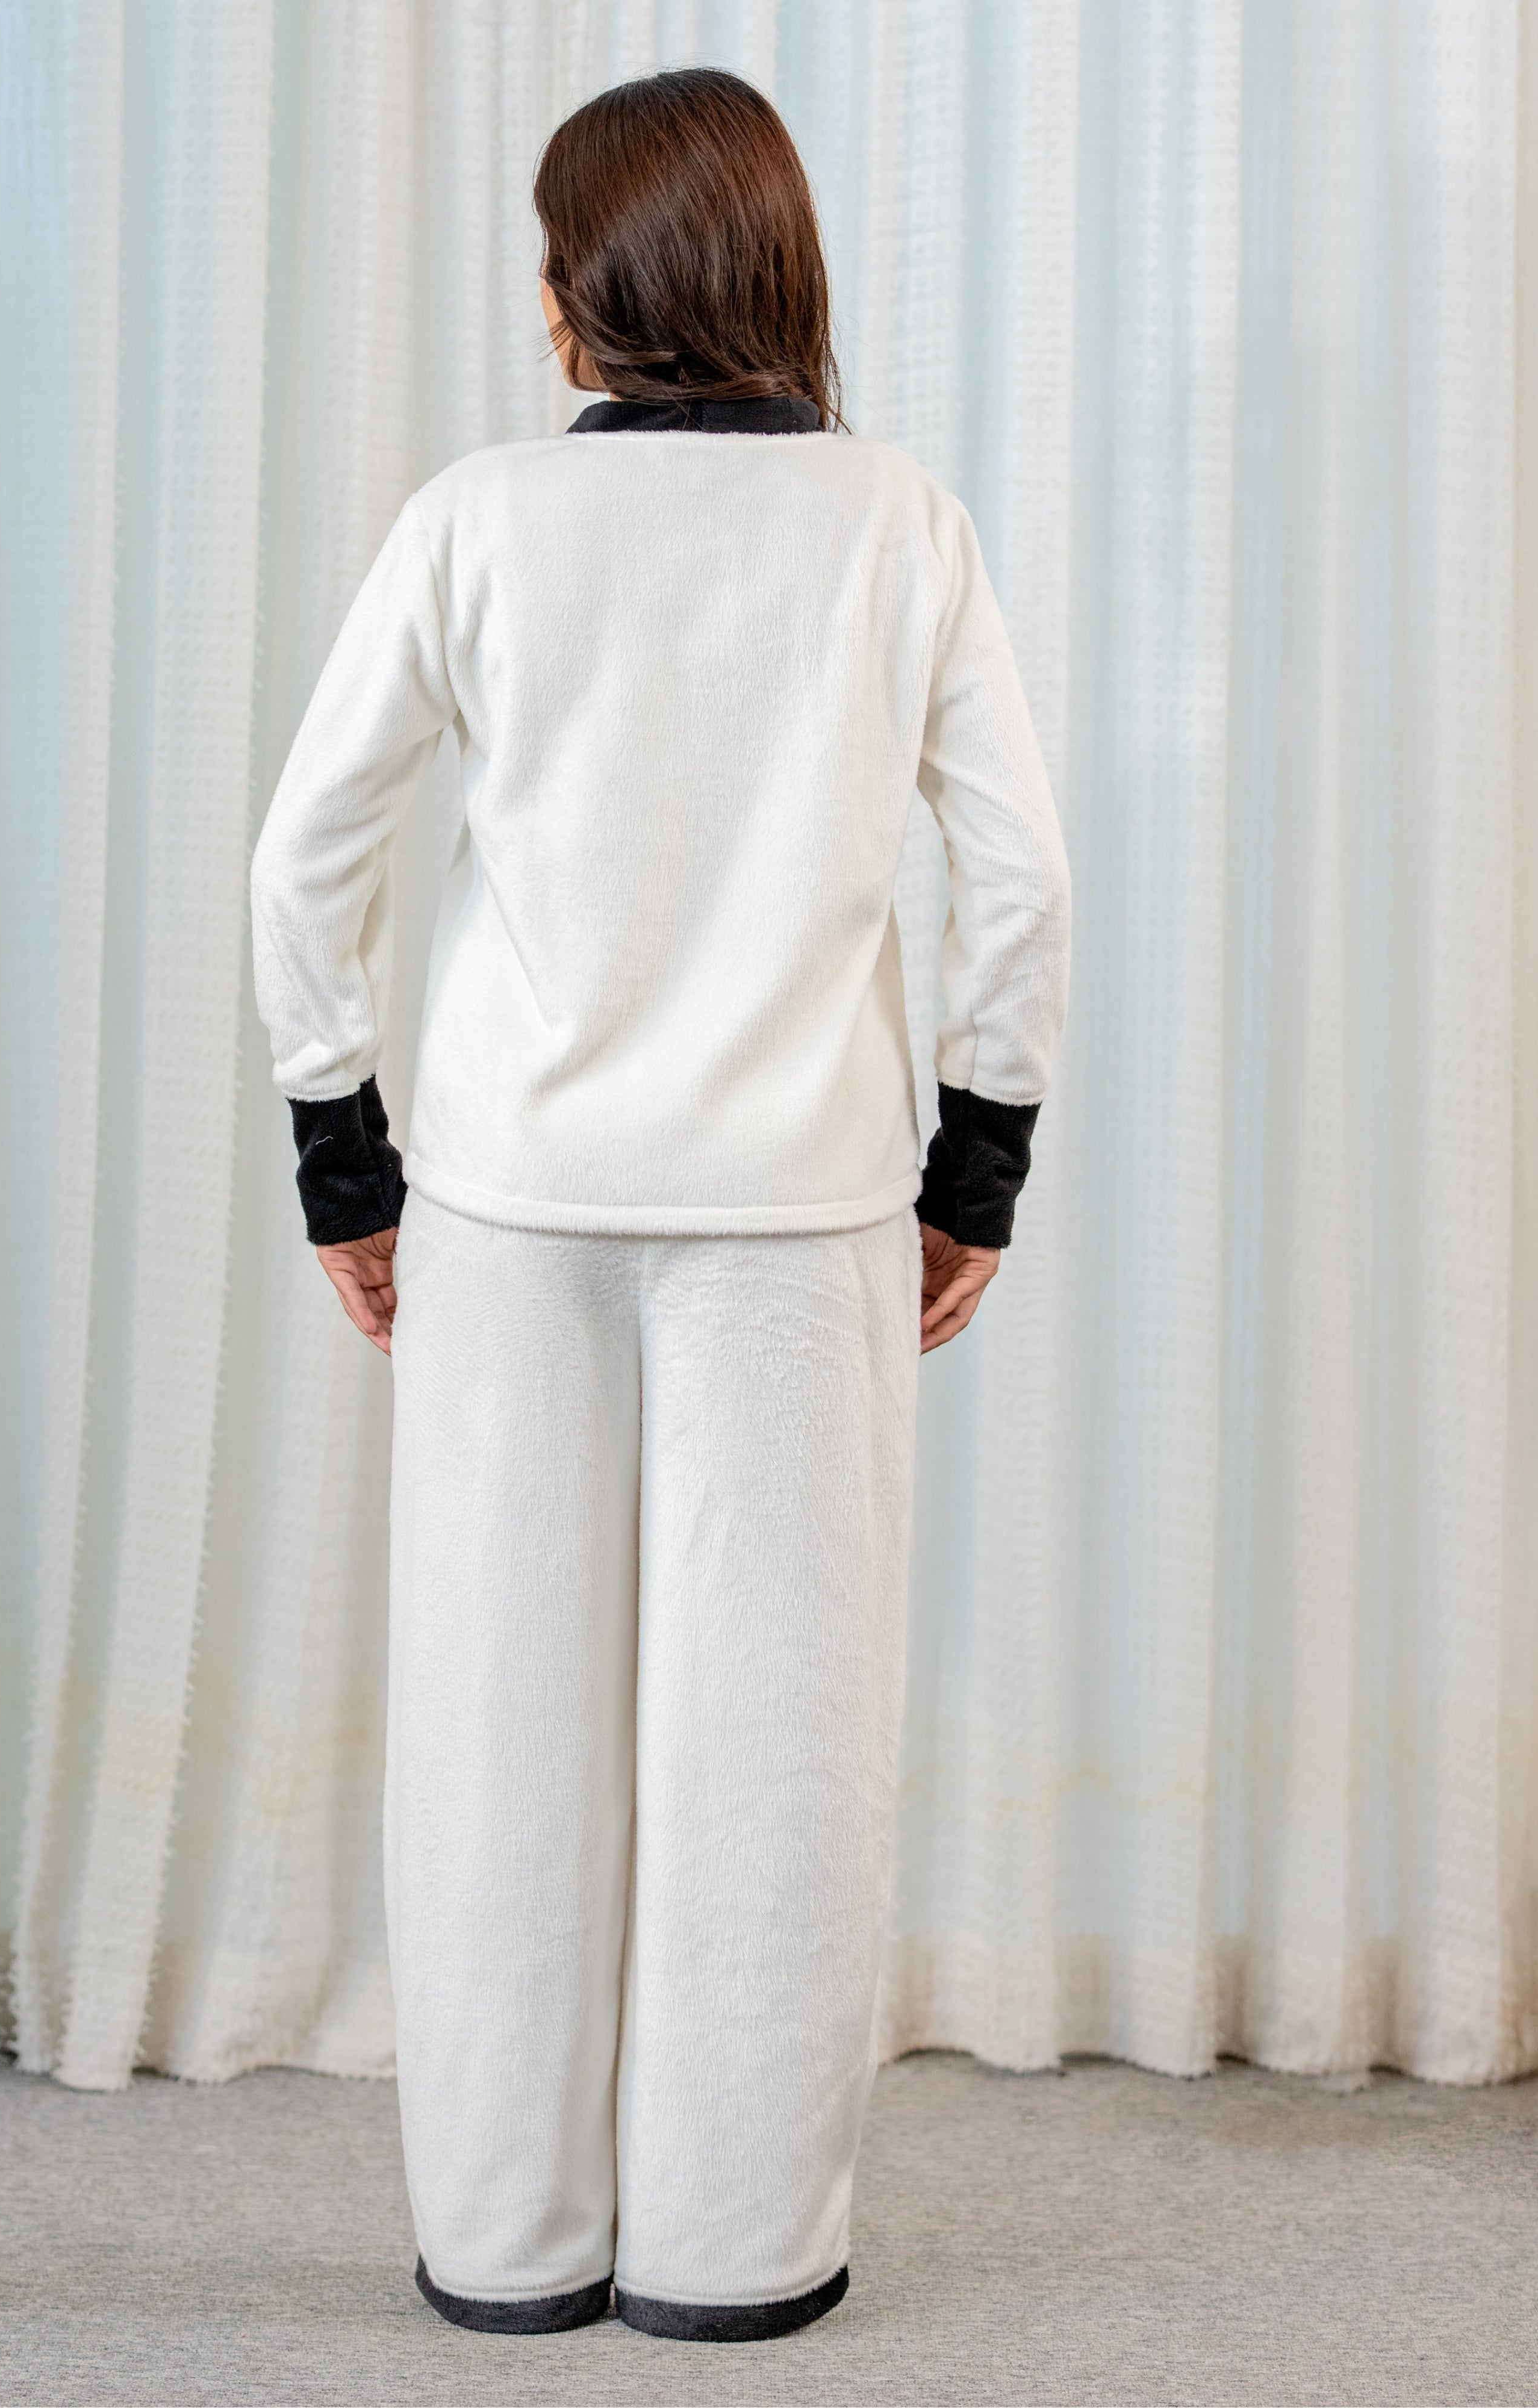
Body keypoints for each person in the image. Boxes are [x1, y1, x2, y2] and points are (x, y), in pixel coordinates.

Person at [249, 64, 1071, 2346]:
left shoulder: (477, 522)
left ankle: (506, 2241)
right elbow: (1019, 879)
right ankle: (735, 2247)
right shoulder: (902, 526)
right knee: (778, 1748)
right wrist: (978, 1166)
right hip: (804, 1219)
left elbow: (308, 857)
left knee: (495, 1726)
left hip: (509, 1210)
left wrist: (345, 1156)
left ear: (577, 297)